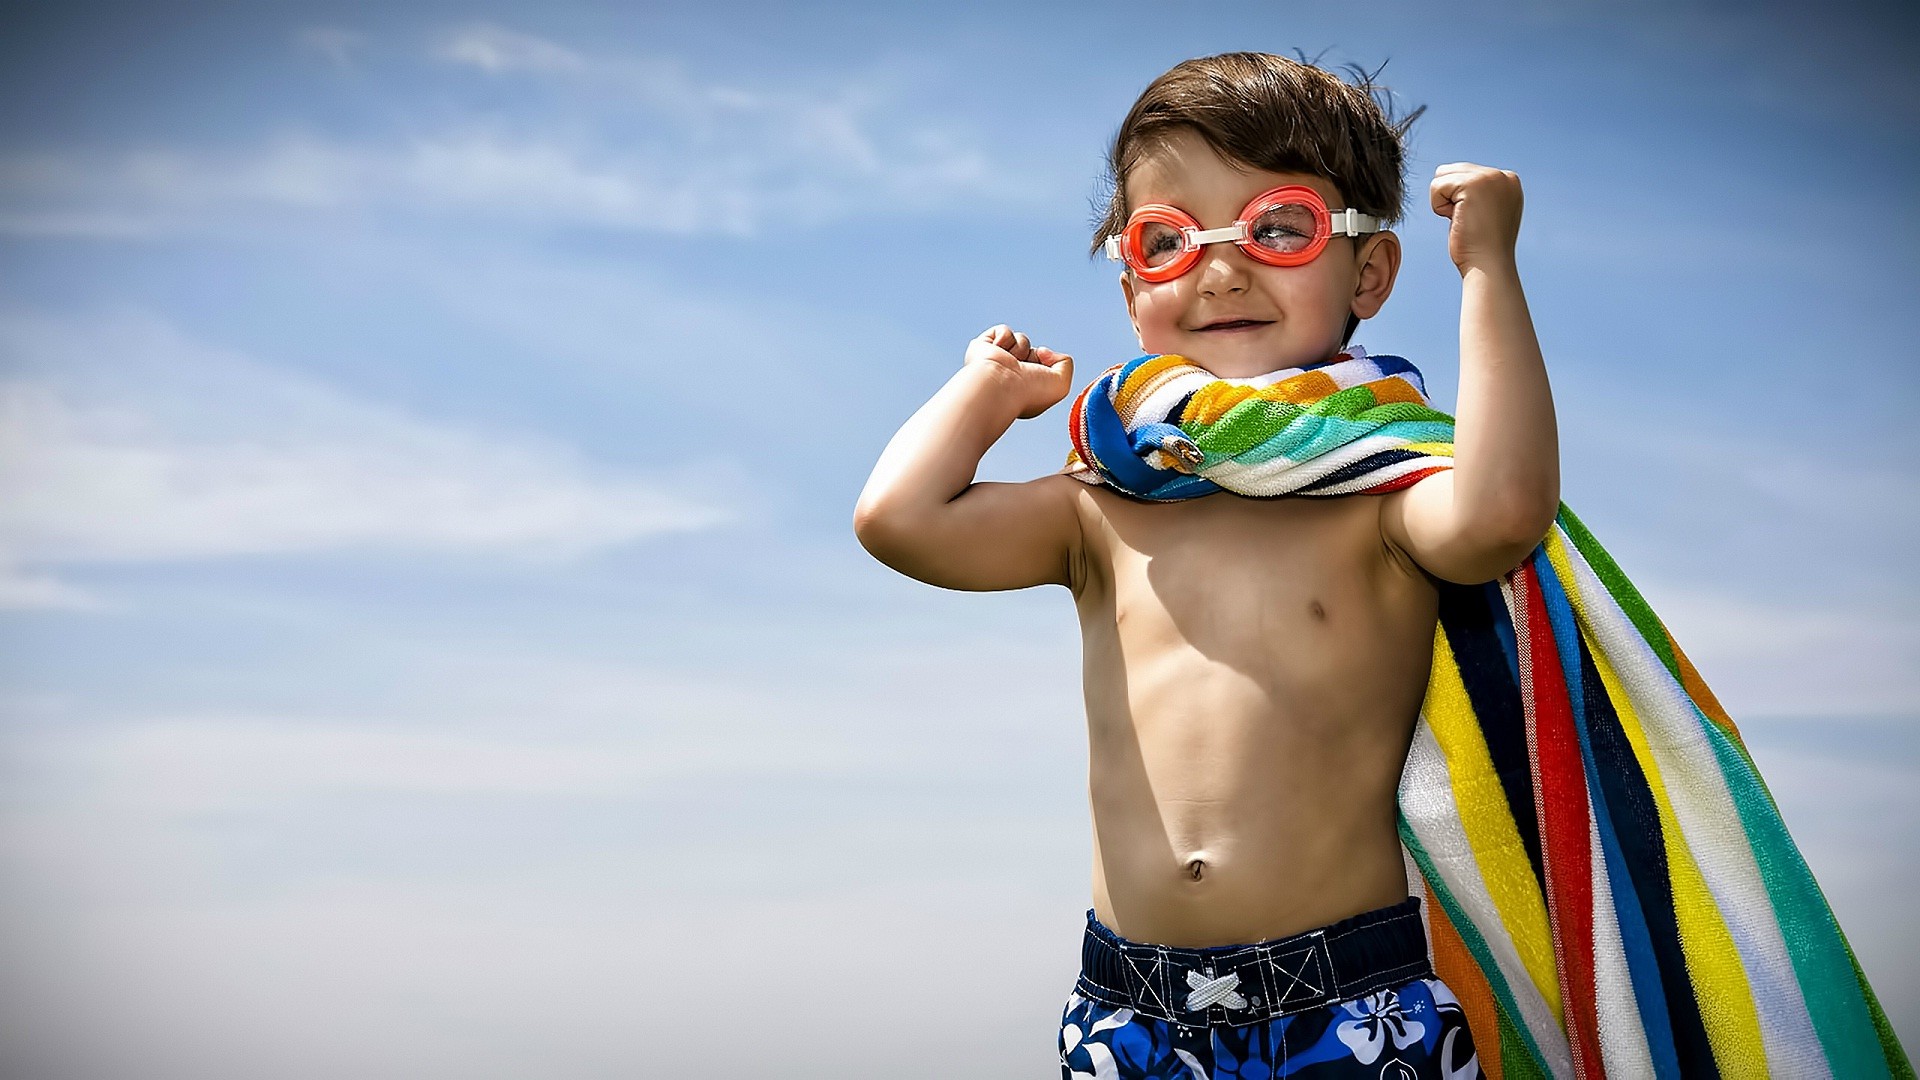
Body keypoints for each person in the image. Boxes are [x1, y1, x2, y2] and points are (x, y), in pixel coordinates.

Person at [853, 53, 1909, 1080]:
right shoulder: (1102, 507)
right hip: (1129, 1008)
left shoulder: (1383, 502)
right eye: (1171, 240)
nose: (1224, 268)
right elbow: (900, 522)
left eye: (1278, 228)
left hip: (1354, 1005)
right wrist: (986, 392)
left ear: (1370, 269)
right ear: (1133, 287)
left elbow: (1502, 513)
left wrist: (1490, 271)